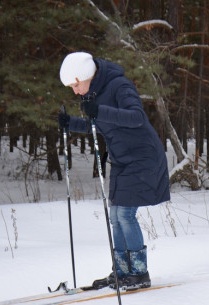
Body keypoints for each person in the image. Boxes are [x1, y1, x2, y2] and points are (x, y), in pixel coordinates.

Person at [58, 52, 170, 289]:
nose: (76, 91)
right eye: (72, 87)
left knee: (125, 215)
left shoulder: (119, 85)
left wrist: (99, 111)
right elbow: (97, 124)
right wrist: (72, 123)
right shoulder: (94, 93)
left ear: (88, 75)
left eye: (76, 85)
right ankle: (121, 271)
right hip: (122, 160)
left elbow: (136, 117)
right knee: (115, 217)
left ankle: (139, 273)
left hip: (143, 157)